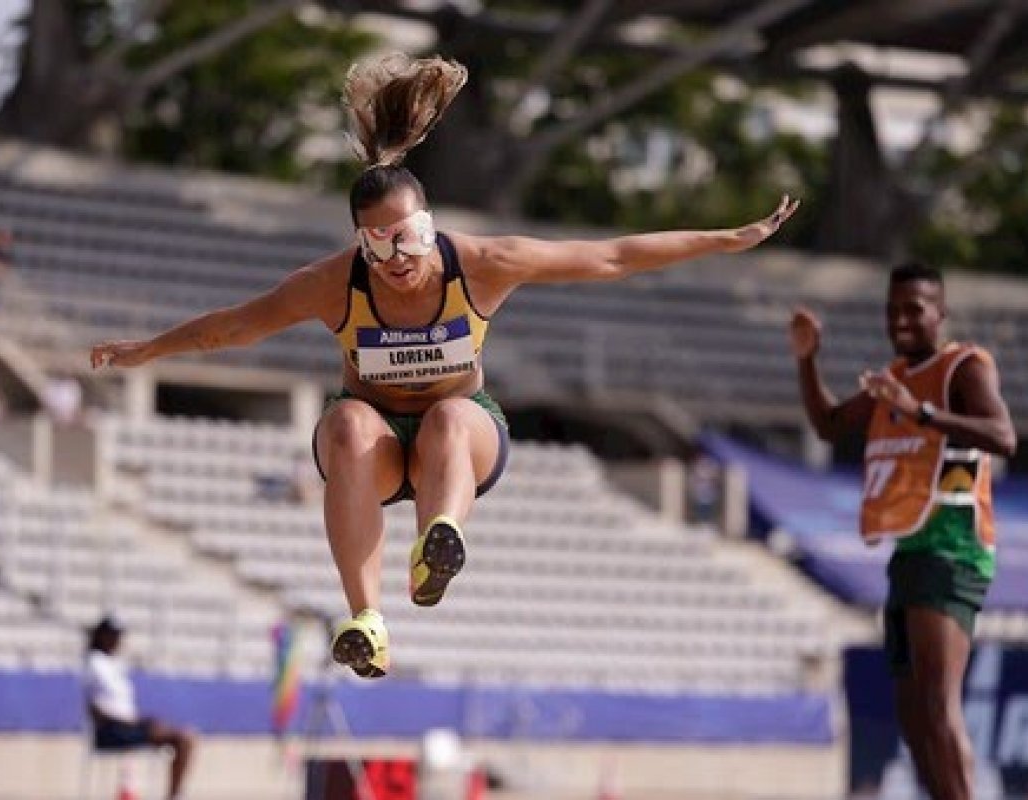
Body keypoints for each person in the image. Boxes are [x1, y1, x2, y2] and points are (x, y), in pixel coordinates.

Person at [90, 53, 798, 680]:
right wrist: (145, 350)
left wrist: (723, 239)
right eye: (379, 245)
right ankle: (366, 620)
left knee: (452, 417)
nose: (398, 259)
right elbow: (235, 327)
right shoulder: (333, 283)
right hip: (379, 446)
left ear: (430, 222)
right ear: (359, 244)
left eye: (410, 238)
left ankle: (441, 538)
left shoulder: (484, 264)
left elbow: (609, 256)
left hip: (462, 440)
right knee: (342, 423)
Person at [789, 262, 1016, 800]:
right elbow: (828, 427)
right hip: (912, 552)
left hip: (954, 547)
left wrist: (921, 413)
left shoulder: (963, 368)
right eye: (892, 310)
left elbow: (1003, 436)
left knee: (939, 706)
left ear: (941, 313)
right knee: (914, 720)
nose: (900, 321)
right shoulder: (894, 382)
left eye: (914, 309)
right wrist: (807, 359)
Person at [82, 616, 197, 800]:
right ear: (102, 636)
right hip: (111, 730)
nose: (117, 640)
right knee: (184, 738)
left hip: (125, 727)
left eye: (118, 635)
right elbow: (95, 710)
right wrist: (132, 722)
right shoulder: (93, 664)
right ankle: (174, 796)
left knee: (177, 733)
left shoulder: (112, 664)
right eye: (113, 635)